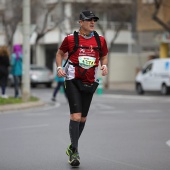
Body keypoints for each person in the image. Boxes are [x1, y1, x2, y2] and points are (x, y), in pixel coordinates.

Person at [56, 10, 108, 167]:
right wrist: (59, 68)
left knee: (83, 119)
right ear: (80, 22)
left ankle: (71, 147)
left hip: (89, 82)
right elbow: (60, 53)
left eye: (94, 20)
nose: (92, 22)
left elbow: (104, 55)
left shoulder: (100, 40)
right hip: (72, 80)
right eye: (88, 20)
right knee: (76, 117)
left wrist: (104, 65)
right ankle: (75, 152)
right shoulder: (70, 39)